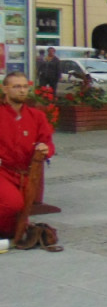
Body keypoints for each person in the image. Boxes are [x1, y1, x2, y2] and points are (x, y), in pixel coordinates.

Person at [0, 72, 56, 239]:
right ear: (5, 89)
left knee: (19, 216)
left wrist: (45, 149)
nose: (22, 90)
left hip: (27, 174)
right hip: (3, 171)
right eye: (17, 86)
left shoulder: (37, 116)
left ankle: (8, 233)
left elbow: (48, 143)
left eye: (25, 86)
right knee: (12, 204)